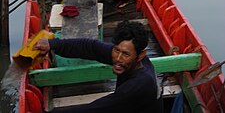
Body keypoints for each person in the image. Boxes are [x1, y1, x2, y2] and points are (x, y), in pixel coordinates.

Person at [33, 20, 163, 112]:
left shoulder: (140, 85)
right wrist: (52, 44)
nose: (118, 59)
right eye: (116, 50)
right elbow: (89, 47)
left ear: (140, 55)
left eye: (125, 54)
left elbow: (96, 109)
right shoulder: (127, 60)